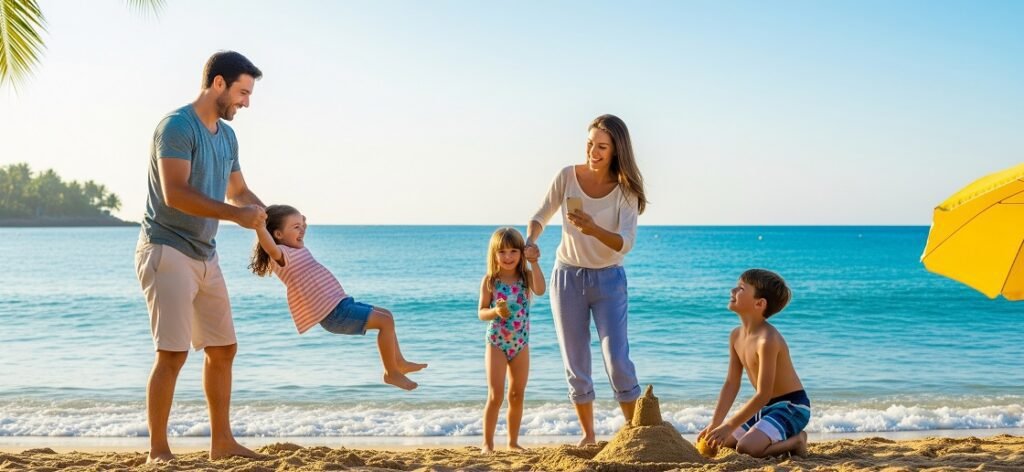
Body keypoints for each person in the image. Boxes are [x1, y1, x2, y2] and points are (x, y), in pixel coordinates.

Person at [134, 51, 266, 463]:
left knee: (223, 348)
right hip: (166, 249)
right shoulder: (176, 126)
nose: (246, 102)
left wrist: (269, 224)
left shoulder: (227, 137)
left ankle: (222, 444)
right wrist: (236, 216)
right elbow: (177, 192)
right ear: (219, 84)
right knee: (172, 354)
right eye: (242, 92)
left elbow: (238, 193)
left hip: (206, 255)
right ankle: (158, 451)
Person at [525, 114, 648, 446]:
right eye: (590, 144)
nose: (593, 152)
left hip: (609, 281)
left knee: (617, 360)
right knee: (575, 363)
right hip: (566, 278)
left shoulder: (626, 191)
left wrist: (593, 228)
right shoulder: (567, 176)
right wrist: (530, 241)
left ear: (616, 150)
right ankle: (588, 436)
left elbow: (626, 242)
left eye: (602, 147)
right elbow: (541, 214)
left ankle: (638, 433)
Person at [249, 205, 427, 390]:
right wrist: (260, 227)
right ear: (277, 235)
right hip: (333, 313)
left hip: (340, 303)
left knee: (387, 316)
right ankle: (391, 373)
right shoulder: (281, 255)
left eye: (301, 226)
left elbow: (299, 229)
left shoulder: (296, 248)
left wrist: (301, 222)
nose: (302, 230)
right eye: (296, 227)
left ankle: (399, 363)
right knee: (385, 322)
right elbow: (269, 246)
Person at [698, 269, 810, 458]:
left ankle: (797, 440)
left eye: (741, 288)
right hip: (765, 408)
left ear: (759, 303)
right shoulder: (736, 336)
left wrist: (730, 425)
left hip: (792, 407)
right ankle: (769, 435)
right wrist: (716, 423)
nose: (732, 290)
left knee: (746, 448)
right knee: (723, 442)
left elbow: (763, 394)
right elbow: (731, 384)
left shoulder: (767, 340)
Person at [477, 227, 546, 453]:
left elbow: (541, 289)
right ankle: (487, 443)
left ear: (521, 253)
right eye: (502, 252)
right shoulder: (491, 281)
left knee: (516, 395)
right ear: (494, 254)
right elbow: (481, 312)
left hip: (521, 343)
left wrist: (534, 263)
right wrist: (495, 312)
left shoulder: (526, 277)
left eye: (513, 251)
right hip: (496, 341)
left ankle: (513, 442)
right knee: (495, 395)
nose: (508, 257)